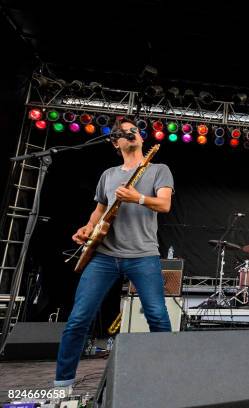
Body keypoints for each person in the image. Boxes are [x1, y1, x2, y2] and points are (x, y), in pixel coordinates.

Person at [54, 117, 174, 390]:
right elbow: (99, 212)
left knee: (157, 316)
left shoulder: (158, 169)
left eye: (134, 130)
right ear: (115, 142)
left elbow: (164, 204)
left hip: (143, 255)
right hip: (104, 256)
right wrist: (86, 229)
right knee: (78, 319)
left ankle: (165, 381)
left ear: (141, 138)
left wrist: (138, 198)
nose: (131, 133)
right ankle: (62, 386)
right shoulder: (108, 175)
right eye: (124, 132)